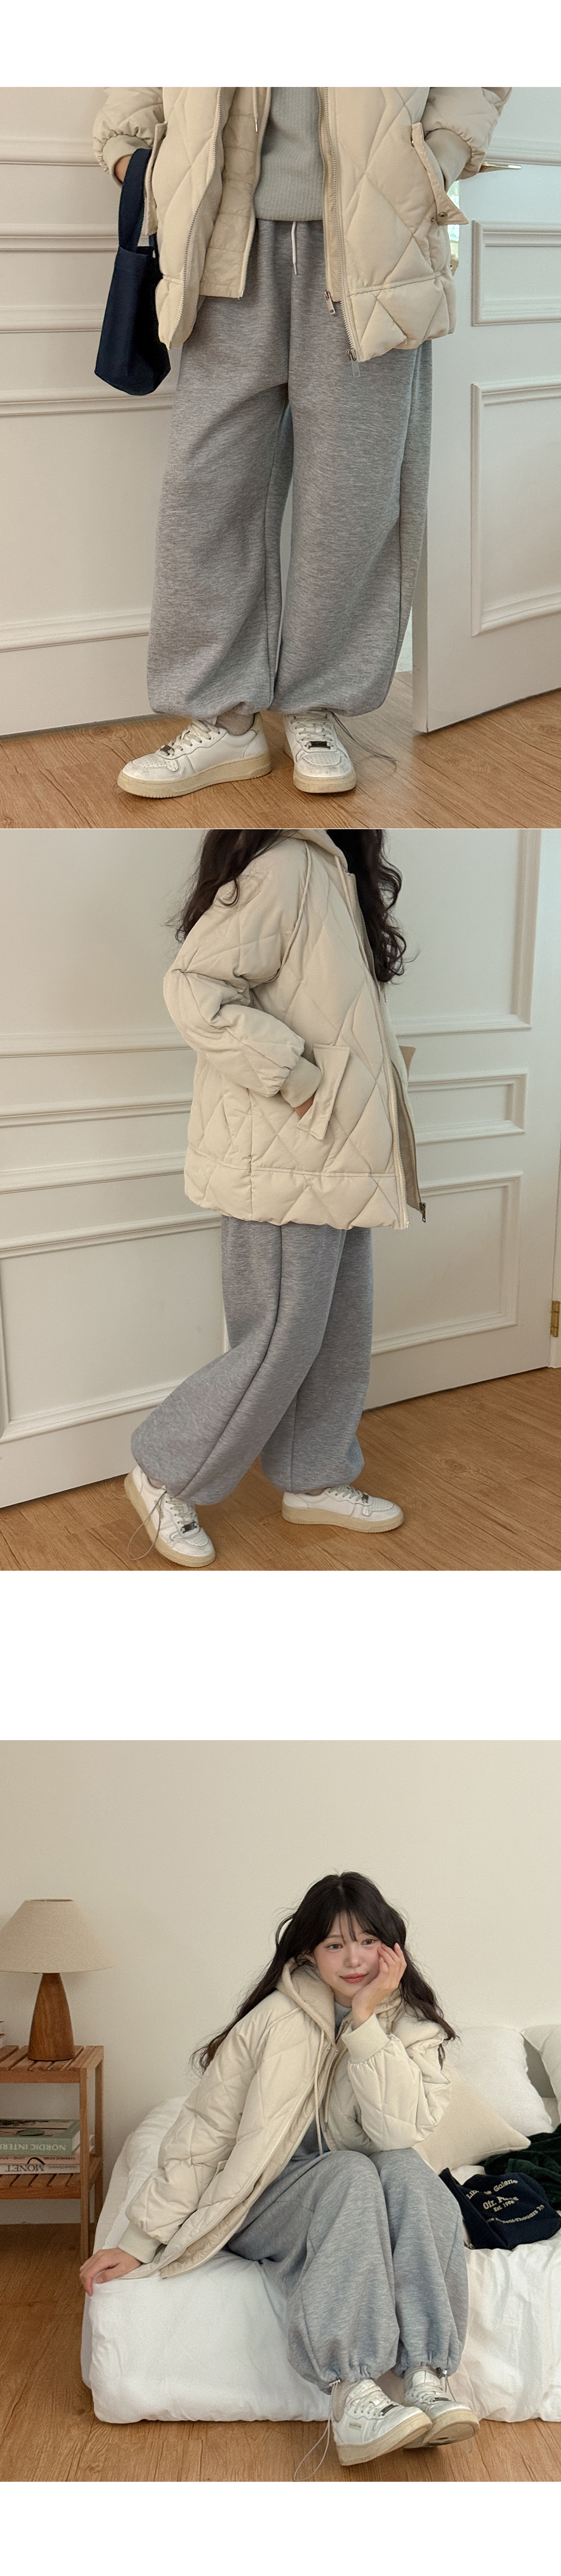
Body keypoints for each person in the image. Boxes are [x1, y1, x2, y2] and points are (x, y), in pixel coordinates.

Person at [93, 87, 509, 801]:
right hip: (224, 237)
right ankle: (222, 719)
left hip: (377, 239)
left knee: (353, 495)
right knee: (205, 492)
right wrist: (131, 152)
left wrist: (438, 156)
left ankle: (319, 705)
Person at [81, 1870, 476, 2469]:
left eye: (367, 1941)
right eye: (335, 1944)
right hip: (268, 2193)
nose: (353, 1959)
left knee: (409, 2173)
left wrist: (365, 2024)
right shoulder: (272, 2020)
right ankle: (353, 2394)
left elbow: (398, 2131)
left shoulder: (415, 2027)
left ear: (391, 1948)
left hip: (357, 2180)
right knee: (349, 2173)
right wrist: (140, 2239)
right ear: (309, 1953)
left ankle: (426, 2375)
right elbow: (205, 2133)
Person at [121, 827, 424, 1570]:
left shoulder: (329, 871)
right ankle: (164, 1471)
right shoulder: (287, 866)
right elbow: (195, 989)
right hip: (287, 1151)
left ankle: (313, 1476)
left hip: (337, 1147)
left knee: (336, 1334)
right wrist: (295, 1077)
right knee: (280, 1337)